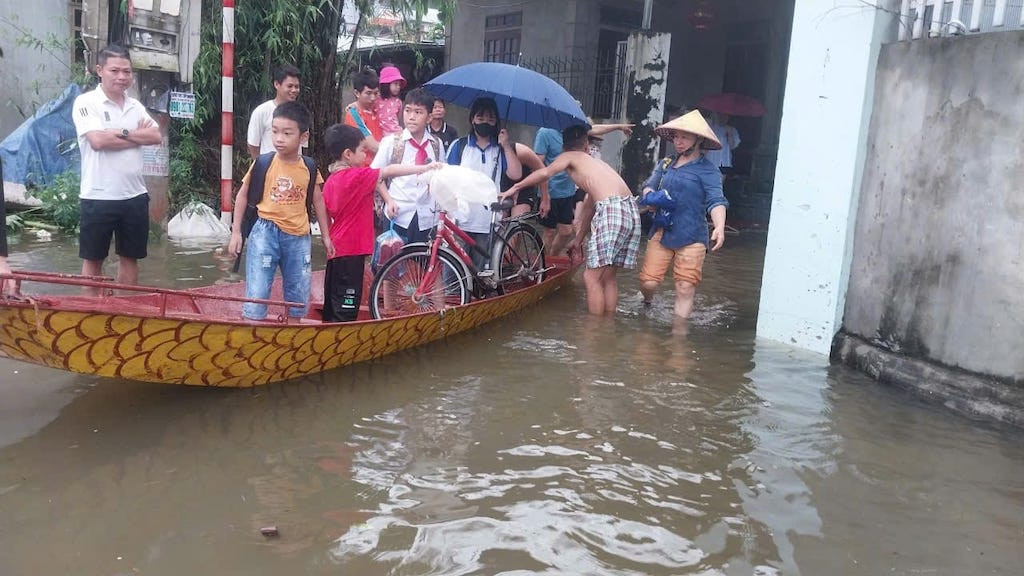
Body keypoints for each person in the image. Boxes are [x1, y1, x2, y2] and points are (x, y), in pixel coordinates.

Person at [504, 125, 641, 316]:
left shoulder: (568, 157)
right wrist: (577, 241)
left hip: (612, 210)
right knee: (608, 276)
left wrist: (515, 187)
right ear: (586, 144)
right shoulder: (599, 165)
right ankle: (608, 330)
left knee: (591, 278)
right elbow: (591, 208)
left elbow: (544, 173)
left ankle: (593, 336)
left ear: (563, 147)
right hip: (630, 209)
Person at [320, 124, 442, 322]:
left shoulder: (331, 180)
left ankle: (329, 330)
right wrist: (425, 167)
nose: (365, 155)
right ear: (348, 154)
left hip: (335, 247)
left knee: (334, 297)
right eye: (362, 150)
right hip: (352, 249)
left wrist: (326, 237)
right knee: (348, 301)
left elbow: (323, 211)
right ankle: (343, 339)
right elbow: (390, 170)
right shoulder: (356, 177)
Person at [228, 102, 333, 322]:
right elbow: (242, 195)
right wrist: (236, 232)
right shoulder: (263, 163)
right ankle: (252, 333)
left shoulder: (310, 167)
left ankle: (292, 336)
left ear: (303, 137)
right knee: (257, 292)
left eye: (287, 133)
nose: (279, 139)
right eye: (274, 131)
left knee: (298, 294)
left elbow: (318, 201)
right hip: (265, 232)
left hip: (299, 237)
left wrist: (325, 236)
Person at [72, 44, 162, 293]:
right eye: (115, 71)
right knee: (93, 259)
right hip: (98, 195)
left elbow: (156, 136)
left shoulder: (135, 106)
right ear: (99, 70)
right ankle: (89, 312)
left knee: (130, 257)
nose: (122, 77)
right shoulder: (86, 102)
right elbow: (98, 141)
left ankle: (126, 311)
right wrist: (136, 135)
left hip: (134, 195)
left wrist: (121, 132)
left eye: (126, 71)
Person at [637, 110, 728, 320]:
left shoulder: (708, 170)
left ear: (698, 140)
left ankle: (679, 341)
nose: (678, 141)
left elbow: (716, 201)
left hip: (692, 234)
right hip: (662, 229)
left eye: (684, 137)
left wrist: (720, 227)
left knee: (685, 287)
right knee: (648, 282)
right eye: (676, 136)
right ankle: (648, 301)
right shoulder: (666, 163)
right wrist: (650, 197)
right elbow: (649, 185)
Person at [445, 97, 522, 268]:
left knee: (481, 272)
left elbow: (516, 174)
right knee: (453, 270)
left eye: (490, 119)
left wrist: (506, 146)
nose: (485, 122)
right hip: (460, 218)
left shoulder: (500, 149)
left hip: (488, 220)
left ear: (496, 122)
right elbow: (447, 177)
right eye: (480, 118)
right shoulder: (460, 146)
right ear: (472, 119)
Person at [370, 88, 445, 243]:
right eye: (408, 111)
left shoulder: (436, 145)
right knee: (394, 262)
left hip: (428, 217)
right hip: (398, 213)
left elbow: (440, 178)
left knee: (423, 262)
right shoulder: (392, 142)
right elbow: (375, 175)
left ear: (429, 117)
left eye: (418, 112)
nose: (411, 117)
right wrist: (388, 199)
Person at [533, 127, 576, 257]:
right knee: (549, 232)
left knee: (566, 231)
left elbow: (593, 129)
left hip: (568, 192)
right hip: (551, 191)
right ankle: (543, 262)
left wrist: (618, 127)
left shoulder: (572, 132)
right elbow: (537, 163)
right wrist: (544, 195)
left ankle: (552, 256)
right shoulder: (545, 133)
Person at [247, 64, 302, 158]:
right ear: (276, 84)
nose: (294, 90)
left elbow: (302, 144)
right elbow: (253, 144)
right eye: (290, 86)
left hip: (295, 169)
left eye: (296, 87)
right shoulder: (262, 111)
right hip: (269, 170)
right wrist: (261, 165)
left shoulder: (300, 113)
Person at [343, 68, 382, 162]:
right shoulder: (354, 114)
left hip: (377, 167)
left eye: (376, 93)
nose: (373, 98)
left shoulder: (376, 109)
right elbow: (373, 147)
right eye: (368, 93)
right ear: (357, 93)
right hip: (363, 169)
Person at [509, 143, 549, 218]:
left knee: (517, 223)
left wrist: (545, 199)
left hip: (522, 192)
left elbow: (542, 171)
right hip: (499, 192)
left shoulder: (520, 151)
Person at [374, 65, 406, 138]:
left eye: (399, 85)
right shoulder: (376, 99)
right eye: (395, 84)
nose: (398, 87)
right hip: (379, 135)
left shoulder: (398, 102)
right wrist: (354, 105)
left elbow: (399, 120)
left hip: (396, 135)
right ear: (386, 84)